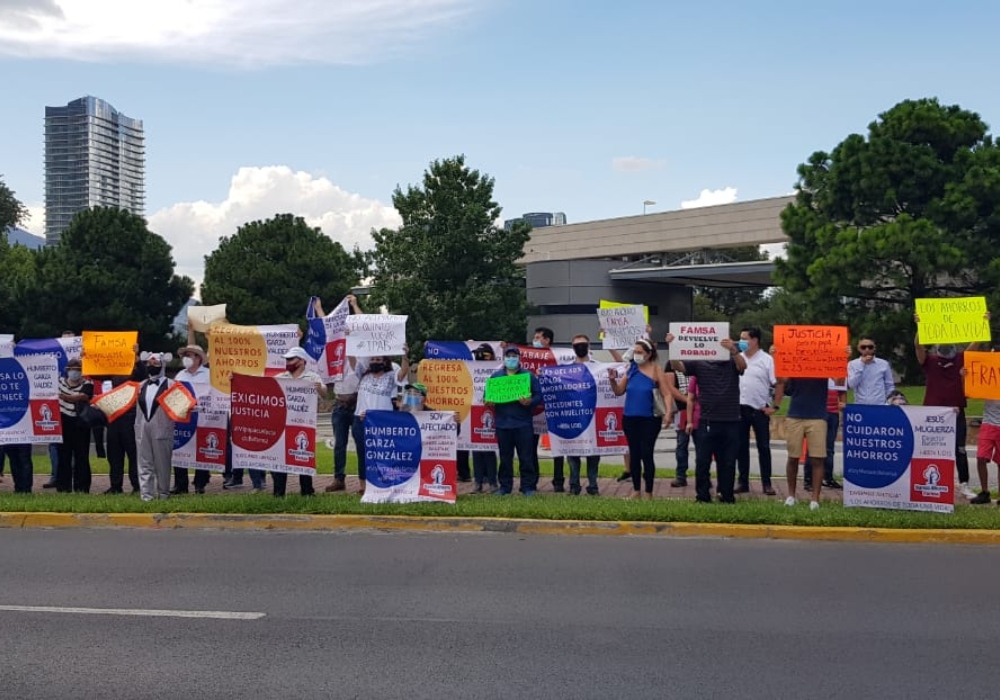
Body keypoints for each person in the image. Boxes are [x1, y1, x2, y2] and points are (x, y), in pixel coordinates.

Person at [667, 332, 746, 504]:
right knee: (702, 461)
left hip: (731, 419)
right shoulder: (699, 362)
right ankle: (702, 496)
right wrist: (672, 346)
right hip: (706, 420)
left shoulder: (732, 360)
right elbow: (678, 366)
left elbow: (742, 366)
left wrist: (733, 350)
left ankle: (726, 495)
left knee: (728, 462)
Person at [913, 319, 982, 500]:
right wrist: (921, 326)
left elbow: (975, 344)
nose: (945, 346)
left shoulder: (960, 359)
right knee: (931, 449)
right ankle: (932, 484)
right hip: (932, 414)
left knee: (959, 449)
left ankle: (964, 484)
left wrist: (982, 322)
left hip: (956, 412)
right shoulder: (930, 361)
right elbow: (918, 346)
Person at [609, 338, 672, 500]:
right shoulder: (631, 369)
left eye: (640, 352)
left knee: (647, 453)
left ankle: (649, 491)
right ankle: (636, 490)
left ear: (649, 354)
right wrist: (612, 380)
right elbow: (619, 391)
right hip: (630, 418)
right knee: (634, 454)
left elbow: (666, 393)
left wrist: (668, 412)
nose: (636, 355)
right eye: (635, 352)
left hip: (650, 419)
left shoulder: (656, 370)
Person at [351, 349, 409, 496]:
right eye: (373, 359)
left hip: (382, 422)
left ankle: (383, 482)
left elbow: (402, 373)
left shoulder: (390, 376)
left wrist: (405, 356)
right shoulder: (363, 375)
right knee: (363, 453)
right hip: (361, 420)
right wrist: (350, 340)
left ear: (385, 361)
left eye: (378, 359)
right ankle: (363, 485)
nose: (375, 362)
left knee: (383, 453)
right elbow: (351, 359)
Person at [272, 347, 326, 497]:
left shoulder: (312, 377)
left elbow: (324, 393)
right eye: (287, 359)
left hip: (304, 424)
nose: (288, 362)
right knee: (280, 458)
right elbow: (264, 387)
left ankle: (307, 491)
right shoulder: (281, 377)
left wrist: (319, 389)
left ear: (302, 361)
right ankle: (278, 492)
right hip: (283, 424)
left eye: (291, 359)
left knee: (303, 456)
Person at [489, 346, 542, 495]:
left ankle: (528, 487)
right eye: (508, 356)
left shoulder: (528, 376)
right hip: (502, 424)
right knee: (505, 458)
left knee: (526, 457)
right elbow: (487, 396)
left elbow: (539, 396)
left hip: (523, 423)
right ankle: (505, 487)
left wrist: (530, 401)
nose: (511, 359)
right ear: (504, 358)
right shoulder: (496, 377)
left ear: (519, 358)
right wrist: (489, 401)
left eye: (514, 356)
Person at [773, 376, 828, 510]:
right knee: (793, 457)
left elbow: (839, 381)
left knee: (817, 458)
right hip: (795, 415)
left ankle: (815, 499)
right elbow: (787, 388)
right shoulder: (795, 363)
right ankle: (791, 496)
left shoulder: (824, 363)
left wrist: (844, 359)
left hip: (817, 416)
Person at [736, 327, 777, 495]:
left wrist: (774, 406)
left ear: (755, 340)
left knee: (764, 447)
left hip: (760, 409)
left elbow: (777, 383)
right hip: (740, 407)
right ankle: (742, 481)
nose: (741, 342)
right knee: (740, 447)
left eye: (744, 339)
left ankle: (766, 483)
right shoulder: (738, 358)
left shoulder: (767, 359)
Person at [564, 334, 603, 496]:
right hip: (573, 415)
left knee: (593, 452)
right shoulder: (565, 369)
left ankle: (593, 485)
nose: (580, 347)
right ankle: (574, 484)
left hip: (593, 415)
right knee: (572, 452)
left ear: (589, 346)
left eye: (583, 344)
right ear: (573, 348)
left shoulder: (599, 367)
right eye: (576, 345)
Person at [104, 347, 147, 494]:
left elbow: (144, 376)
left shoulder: (136, 371)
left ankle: (137, 486)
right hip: (114, 415)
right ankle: (115, 486)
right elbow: (95, 373)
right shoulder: (112, 370)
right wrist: (86, 358)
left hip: (131, 416)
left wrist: (137, 360)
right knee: (114, 454)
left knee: (133, 453)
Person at [172, 344, 213, 494]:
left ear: (198, 358)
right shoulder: (180, 375)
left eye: (189, 355)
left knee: (201, 451)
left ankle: (200, 484)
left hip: (202, 418)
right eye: (185, 355)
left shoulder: (208, 375)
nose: (186, 358)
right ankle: (180, 485)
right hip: (183, 418)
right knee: (180, 449)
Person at [135, 353, 175, 501]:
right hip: (142, 426)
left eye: (155, 364)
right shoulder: (140, 385)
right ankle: (146, 496)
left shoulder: (172, 385)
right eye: (149, 364)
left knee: (162, 463)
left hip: (162, 426)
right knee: (144, 461)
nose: (152, 367)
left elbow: (184, 404)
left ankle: (164, 494)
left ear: (162, 365)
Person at [56, 358, 94, 493]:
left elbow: (84, 396)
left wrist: (65, 397)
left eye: (78, 370)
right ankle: (63, 487)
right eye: (72, 370)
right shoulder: (58, 383)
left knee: (82, 457)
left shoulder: (88, 383)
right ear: (67, 370)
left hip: (81, 424)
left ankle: (82, 488)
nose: (75, 373)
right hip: (63, 423)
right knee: (63, 457)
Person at [847, 337, 895, 405]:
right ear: (859, 348)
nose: (867, 349)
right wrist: (862, 365)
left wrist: (888, 402)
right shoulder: (852, 364)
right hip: (860, 405)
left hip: (880, 405)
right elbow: (851, 385)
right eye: (863, 347)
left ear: (874, 348)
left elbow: (889, 385)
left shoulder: (884, 364)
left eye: (870, 347)